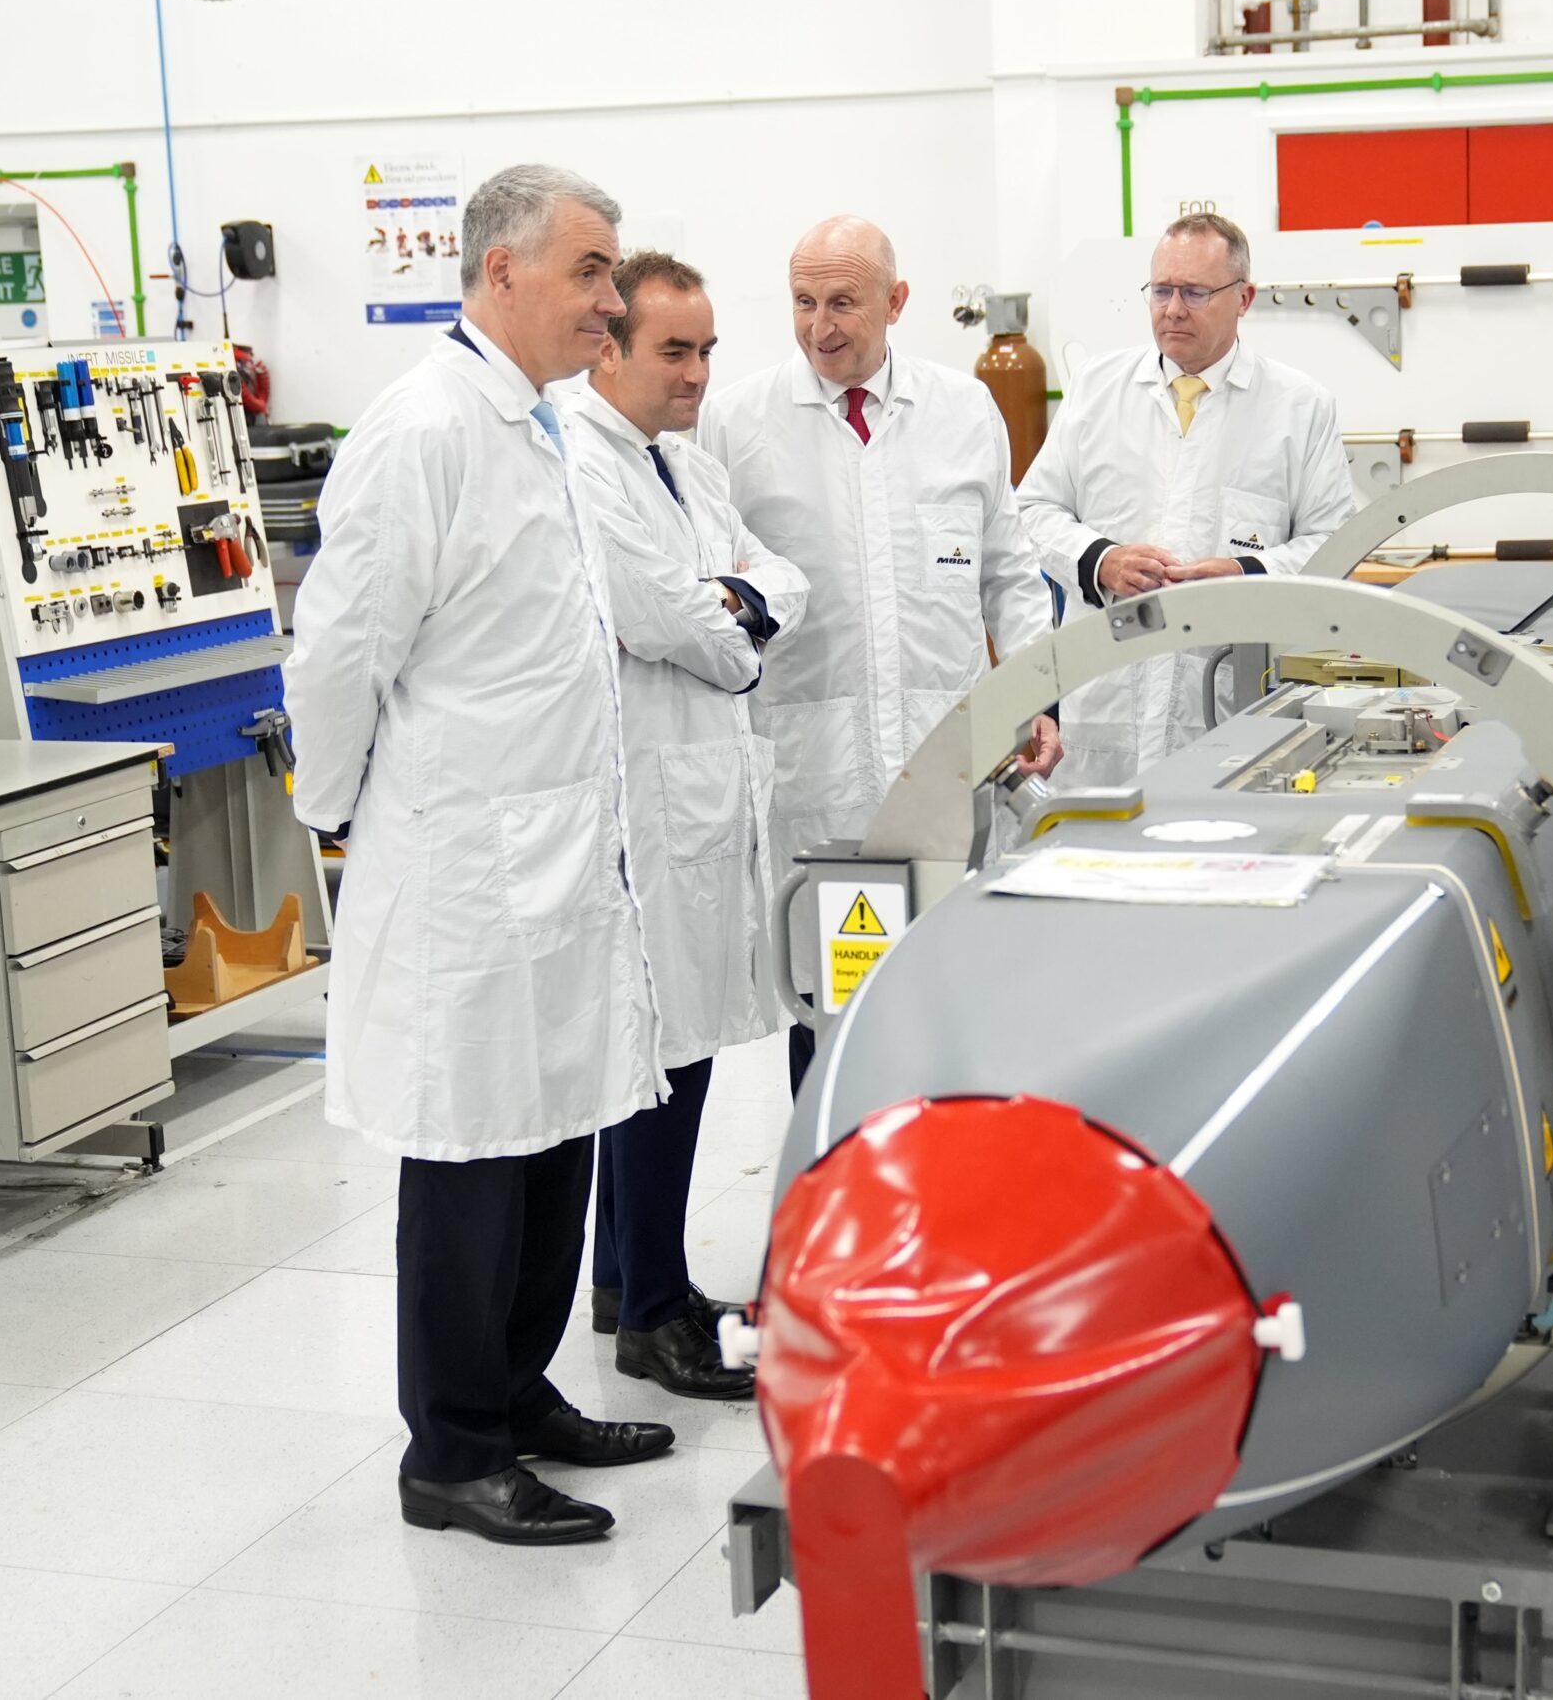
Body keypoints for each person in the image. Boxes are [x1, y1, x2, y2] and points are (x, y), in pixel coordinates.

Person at [284, 164, 676, 1545]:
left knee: (552, 1128)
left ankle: (518, 1392)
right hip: (464, 860)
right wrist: (331, 810)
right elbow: (340, 650)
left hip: (558, 852)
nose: (612, 299)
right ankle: (449, 1448)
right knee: (466, 1153)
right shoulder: (425, 428)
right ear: (501, 270)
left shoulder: (548, 424)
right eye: (589, 271)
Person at [701, 215, 1060, 1095]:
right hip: (811, 769)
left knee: (956, 1000)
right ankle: (838, 1205)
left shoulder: (963, 408)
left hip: (950, 758)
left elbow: (1009, 573)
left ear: (896, 303)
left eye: (844, 303)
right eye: (803, 302)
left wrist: (1038, 694)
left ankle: (947, 1203)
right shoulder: (737, 423)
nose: (821, 326)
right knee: (829, 1005)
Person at [559, 251, 809, 1398]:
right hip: (642, 801)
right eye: (675, 349)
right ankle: (648, 1312)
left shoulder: (680, 465)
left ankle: (632, 1274)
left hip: (703, 790)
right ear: (608, 344)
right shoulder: (582, 459)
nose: (699, 372)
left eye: (708, 348)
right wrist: (734, 621)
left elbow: (774, 579)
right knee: (658, 1054)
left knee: (689, 1045)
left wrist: (739, 606)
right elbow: (662, 615)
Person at [1015, 210, 1355, 788]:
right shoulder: (1097, 389)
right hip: (1103, 705)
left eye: (1195, 292)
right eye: (1162, 291)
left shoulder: (1299, 407)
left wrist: (1245, 574)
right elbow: (1032, 512)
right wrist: (1101, 560)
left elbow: (1334, 547)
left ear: (1244, 298)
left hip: (1226, 702)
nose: (1173, 309)